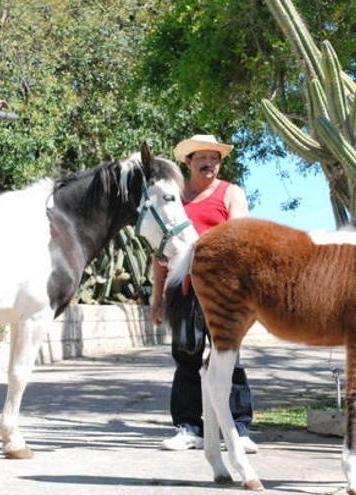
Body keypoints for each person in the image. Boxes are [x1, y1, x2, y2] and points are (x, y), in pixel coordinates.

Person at [150, 134, 257, 453]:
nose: (210, 163)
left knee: (229, 359)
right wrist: (157, 296)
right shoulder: (175, 199)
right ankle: (189, 428)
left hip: (223, 292)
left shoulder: (230, 193)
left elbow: (241, 240)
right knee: (186, 358)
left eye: (215, 159)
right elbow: (160, 250)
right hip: (181, 291)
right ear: (189, 162)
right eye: (202, 158)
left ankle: (239, 429)